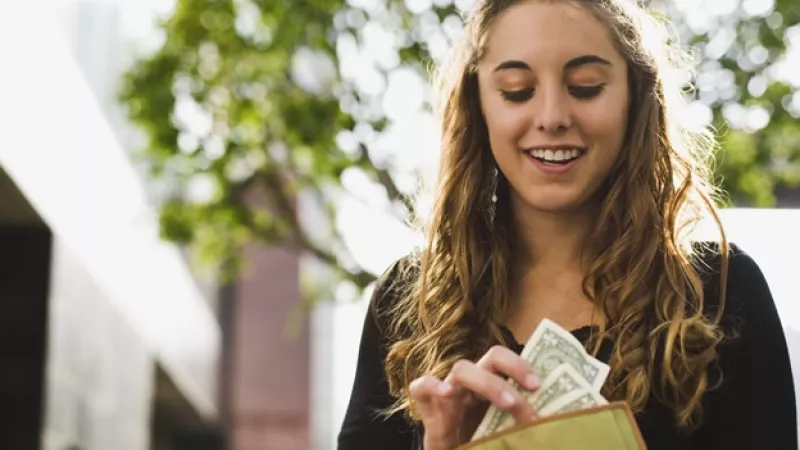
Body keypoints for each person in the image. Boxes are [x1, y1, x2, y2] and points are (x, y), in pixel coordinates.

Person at [337, 0, 798, 449]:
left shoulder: (720, 294)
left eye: (585, 86)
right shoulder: (408, 301)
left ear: (636, 100)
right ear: (479, 106)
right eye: (517, 90)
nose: (552, 117)